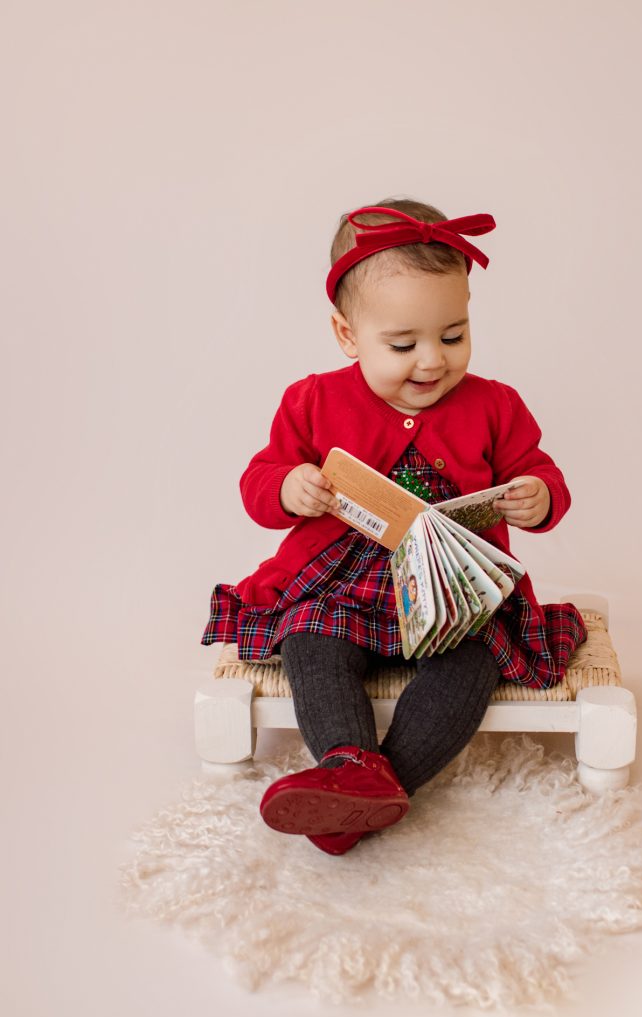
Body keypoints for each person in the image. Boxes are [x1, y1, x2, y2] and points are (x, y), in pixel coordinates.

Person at [200, 197, 588, 856]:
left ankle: (365, 796)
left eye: (453, 334)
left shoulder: (495, 405)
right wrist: (290, 487)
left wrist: (538, 497)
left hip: (451, 596)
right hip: (342, 584)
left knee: (474, 662)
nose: (431, 361)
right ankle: (350, 760)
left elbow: (538, 471)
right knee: (310, 637)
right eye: (402, 344)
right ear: (348, 336)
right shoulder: (313, 399)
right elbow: (259, 483)